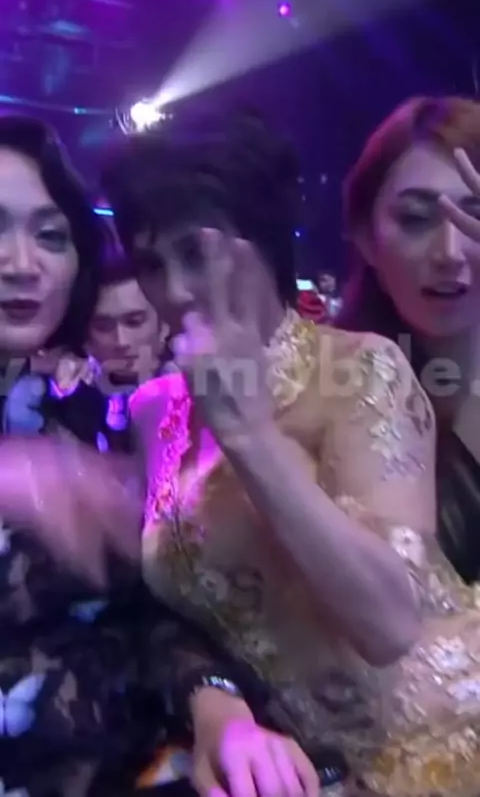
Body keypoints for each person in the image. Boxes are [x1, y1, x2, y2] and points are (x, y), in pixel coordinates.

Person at [100, 112, 480, 796]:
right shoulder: (153, 408)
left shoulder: (359, 368)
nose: (176, 290)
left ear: (265, 242)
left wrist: (250, 437)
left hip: (444, 741)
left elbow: (391, 623)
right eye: (154, 263)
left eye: (198, 254)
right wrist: (216, 704)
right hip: (295, 765)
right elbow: (175, 607)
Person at [0, 114, 318, 797]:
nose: (23, 263)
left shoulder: (88, 418)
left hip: (131, 762)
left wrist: (218, 709)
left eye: (50, 235)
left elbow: (149, 607)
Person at [338, 95, 480, 585]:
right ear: (365, 238)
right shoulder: (326, 393)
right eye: (416, 219)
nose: (450, 252)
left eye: (474, 218)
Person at [87, 249, 168, 391]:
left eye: (134, 322)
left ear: (163, 324)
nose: (121, 342)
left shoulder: (197, 386)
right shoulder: (64, 397)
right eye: (103, 327)